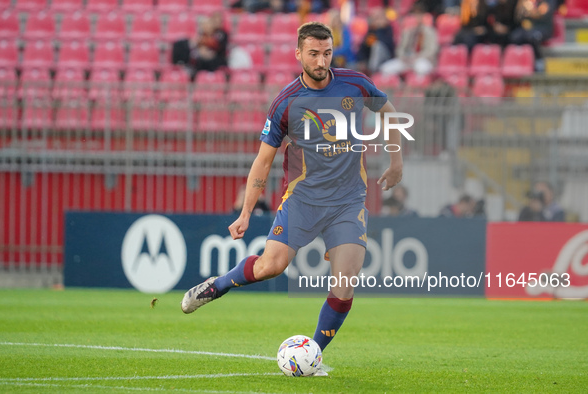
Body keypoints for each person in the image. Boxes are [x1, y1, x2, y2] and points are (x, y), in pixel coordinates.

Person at [181, 22, 404, 373]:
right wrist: (244, 213)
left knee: (345, 284)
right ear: (298, 53)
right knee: (272, 266)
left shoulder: (355, 83)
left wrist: (396, 161)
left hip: (348, 201)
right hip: (303, 200)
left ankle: (313, 354)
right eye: (313, 53)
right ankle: (218, 284)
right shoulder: (286, 102)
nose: (321, 60)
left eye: (327, 52)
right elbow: (263, 161)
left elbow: (389, 111)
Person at [379, 3, 438, 77]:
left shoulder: (430, 31)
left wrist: (417, 57)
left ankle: (417, 87)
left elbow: (431, 51)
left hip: (421, 59)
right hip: (406, 60)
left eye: (419, 14)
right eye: (415, 14)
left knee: (422, 69)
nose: (417, 17)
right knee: (386, 68)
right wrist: (403, 57)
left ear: (423, 16)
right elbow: (399, 49)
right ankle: (393, 87)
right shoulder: (407, 32)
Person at [509, 0, 553, 71]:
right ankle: (519, 62)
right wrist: (521, 7)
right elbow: (518, 16)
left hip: (542, 28)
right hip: (528, 29)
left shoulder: (548, 1)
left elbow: (542, 12)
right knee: (514, 37)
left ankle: (539, 60)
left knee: (533, 37)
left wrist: (529, 11)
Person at [356, 8, 396, 75]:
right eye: (375, 18)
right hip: (372, 60)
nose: (377, 20)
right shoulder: (371, 31)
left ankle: (372, 72)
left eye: (379, 18)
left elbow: (389, 46)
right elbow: (363, 48)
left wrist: (380, 29)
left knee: (377, 45)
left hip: (387, 59)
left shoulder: (388, 29)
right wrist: (362, 61)